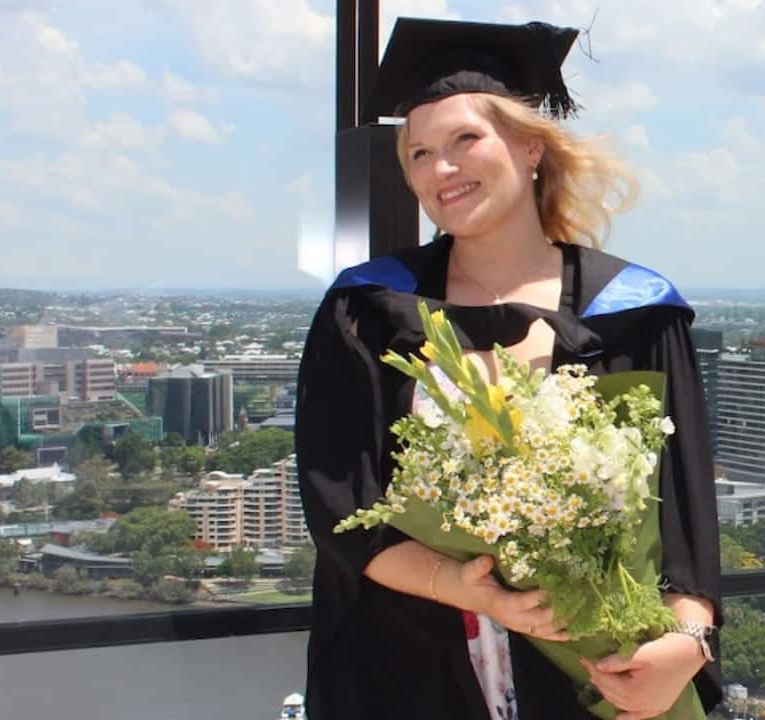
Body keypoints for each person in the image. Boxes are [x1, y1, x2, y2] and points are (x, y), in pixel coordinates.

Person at [296, 17, 723, 720]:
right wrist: (470, 589)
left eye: (466, 139)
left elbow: (680, 513)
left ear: (530, 148)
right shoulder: (368, 311)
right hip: (406, 673)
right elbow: (342, 510)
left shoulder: (635, 310)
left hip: (586, 675)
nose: (442, 168)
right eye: (419, 152)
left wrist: (685, 645)